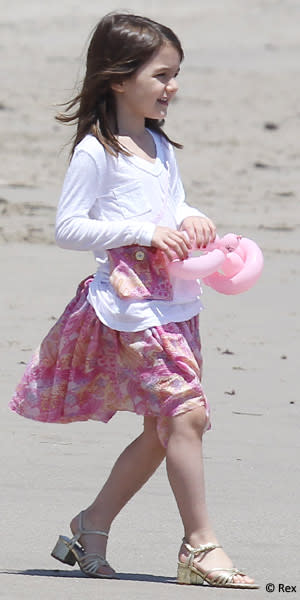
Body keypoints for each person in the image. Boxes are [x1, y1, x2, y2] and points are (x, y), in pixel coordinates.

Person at [9, 12, 258, 589]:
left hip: (174, 299)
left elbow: (174, 202)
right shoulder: (98, 151)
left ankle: (91, 524)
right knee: (187, 415)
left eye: (176, 74)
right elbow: (68, 227)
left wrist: (192, 220)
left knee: (162, 429)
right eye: (162, 75)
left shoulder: (157, 143)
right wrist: (142, 233)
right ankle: (201, 546)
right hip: (129, 306)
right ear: (120, 79)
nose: (173, 87)